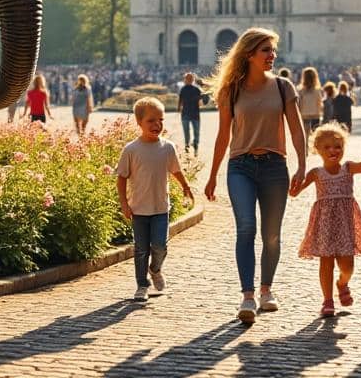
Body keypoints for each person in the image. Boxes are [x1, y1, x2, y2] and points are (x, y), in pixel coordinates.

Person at [203, 28, 308, 324]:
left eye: (273, 50)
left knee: (271, 235)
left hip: (275, 167)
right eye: (266, 50)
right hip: (241, 167)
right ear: (249, 54)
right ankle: (247, 296)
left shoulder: (284, 87)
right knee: (246, 227)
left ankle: (266, 290)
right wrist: (212, 175)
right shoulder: (230, 90)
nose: (272, 55)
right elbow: (223, 136)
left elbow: (297, 129)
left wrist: (302, 165)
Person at [291, 123, 361, 317]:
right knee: (326, 262)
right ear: (317, 149)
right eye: (327, 147)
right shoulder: (316, 173)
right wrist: (292, 188)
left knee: (348, 266)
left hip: (345, 225)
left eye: (337, 146)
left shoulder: (348, 168)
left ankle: (342, 283)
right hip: (324, 225)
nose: (333, 150)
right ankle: (327, 300)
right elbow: (296, 191)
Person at [116, 97, 193, 302]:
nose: (157, 124)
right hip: (138, 210)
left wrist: (185, 186)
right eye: (151, 120)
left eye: (161, 120)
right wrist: (124, 204)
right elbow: (121, 178)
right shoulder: (131, 150)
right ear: (139, 122)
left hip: (160, 208)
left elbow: (175, 170)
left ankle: (155, 269)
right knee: (141, 250)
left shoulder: (167, 148)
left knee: (160, 246)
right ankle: (142, 285)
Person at [177, 72, 203, 155]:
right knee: (195, 132)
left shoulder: (184, 89)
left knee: (189, 131)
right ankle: (191, 145)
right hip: (193, 114)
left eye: (189, 78)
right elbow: (201, 103)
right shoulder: (196, 89)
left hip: (188, 114)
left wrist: (179, 110)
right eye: (187, 78)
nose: (188, 80)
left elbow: (180, 102)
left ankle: (190, 145)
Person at [296, 67, 322, 136]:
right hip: (315, 116)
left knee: (304, 137)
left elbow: (299, 104)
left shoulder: (300, 91)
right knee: (315, 137)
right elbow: (319, 104)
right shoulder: (317, 91)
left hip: (304, 116)